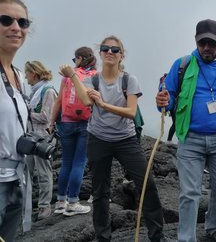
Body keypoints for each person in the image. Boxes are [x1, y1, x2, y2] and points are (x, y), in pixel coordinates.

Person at [155, 19, 216, 242]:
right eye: (203, 43)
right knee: (190, 193)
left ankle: (213, 226)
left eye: (212, 43)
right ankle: (186, 238)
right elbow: (167, 100)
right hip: (190, 139)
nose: (207, 48)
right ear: (196, 42)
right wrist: (162, 100)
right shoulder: (181, 65)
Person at [59, 35, 165, 242]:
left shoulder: (129, 79)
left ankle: (157, 237)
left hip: (126, 139)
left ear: (121, 55)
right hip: (98, 138)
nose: (110, 52)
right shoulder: (93, 80)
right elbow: (84, 100)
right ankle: (102, 238)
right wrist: (72, 75)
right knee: (100, 192)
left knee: (147, 185)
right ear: (100, 54)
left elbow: (131, 112)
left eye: (115, 50)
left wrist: (104, 104)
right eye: (106, 49)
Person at [49, 46, 96, 217]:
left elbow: (59, 101)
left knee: (67, 162)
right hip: (86, 123)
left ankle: (61, 203)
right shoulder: (95, 76)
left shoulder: (67, 77)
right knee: (79, 162)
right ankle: (73, 202)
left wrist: (52, 122)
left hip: (67, 122)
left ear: (79, 59)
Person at [0, 0, 32, 240]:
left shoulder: (19, 77)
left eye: (22, 23)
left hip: (15, 180)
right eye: (5, 20)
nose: (16, 28)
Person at [24, 60, 57, 220]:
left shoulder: (48, 91)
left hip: (42, 138)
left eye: (27, 73)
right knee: (26, 172)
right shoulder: (35, 92)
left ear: (34, 74)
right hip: (30, 138)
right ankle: (26, 206)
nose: (25, 77)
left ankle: (45, 207)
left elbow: (46, 117)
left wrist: (25, 111)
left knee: (44, 173)